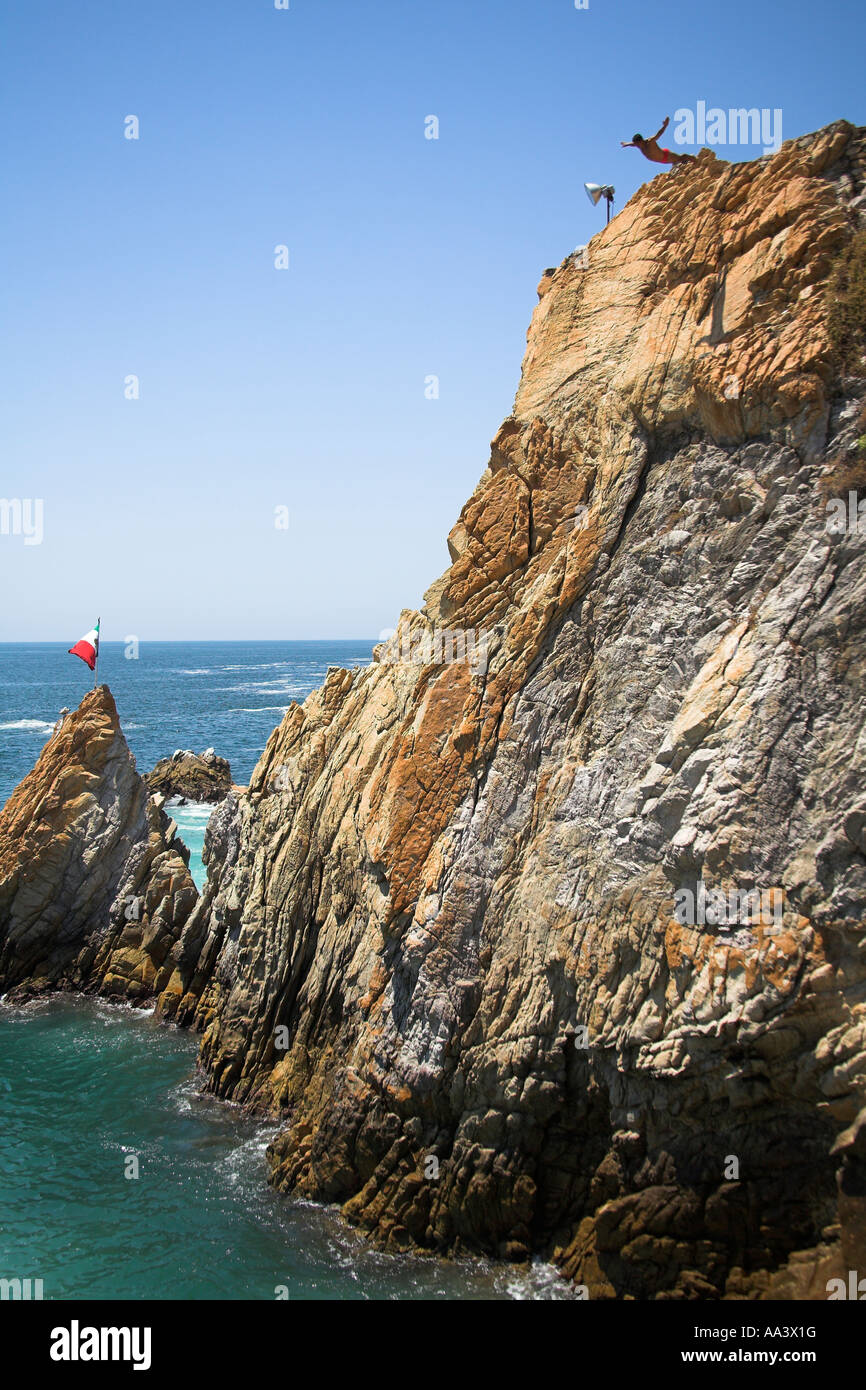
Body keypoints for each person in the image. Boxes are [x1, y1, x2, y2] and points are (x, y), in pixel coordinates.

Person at [621, 116, 695, 168]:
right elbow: (632, 144)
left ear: (641, 141)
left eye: (638, 144)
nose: (637, 146)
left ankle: (696, 160)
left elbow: (658, 135)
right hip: (662, 160)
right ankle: (683, 162)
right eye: (636, 145)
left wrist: (665, 126)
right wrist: (626, 144)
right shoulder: (638, 145)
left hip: (665, 156)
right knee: (678, 160)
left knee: (681, 158)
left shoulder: (650, 142)